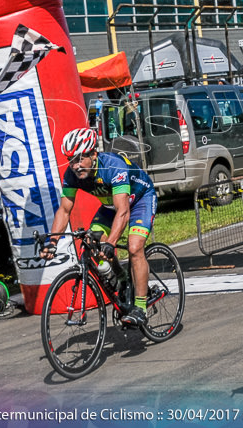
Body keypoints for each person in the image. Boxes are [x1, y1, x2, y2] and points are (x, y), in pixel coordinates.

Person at [40, 128, 158, 327]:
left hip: (139, 200)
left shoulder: (114, 167)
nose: (76, 166)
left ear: (94, 154)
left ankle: (140, 307)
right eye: (71, 160)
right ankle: (122, 278)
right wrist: (52, 241)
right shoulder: (71, 174)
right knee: (91, 240)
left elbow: (123, 211)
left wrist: (111, 242)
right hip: (110, 205)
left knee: (134, 247)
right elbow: (64, 210)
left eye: (80, 159)